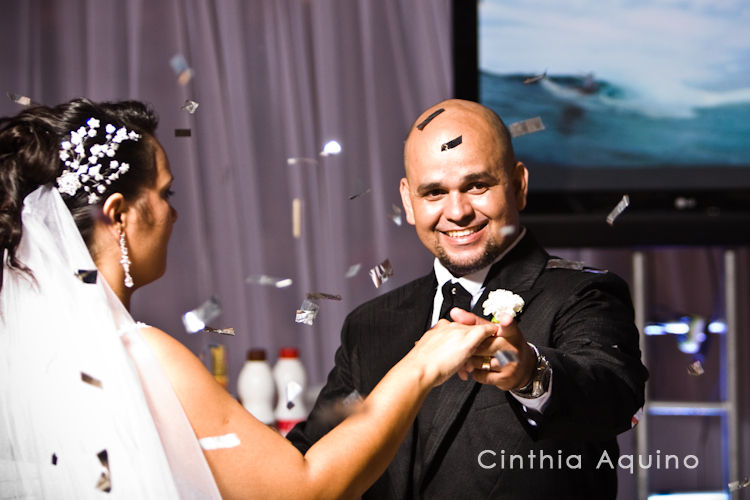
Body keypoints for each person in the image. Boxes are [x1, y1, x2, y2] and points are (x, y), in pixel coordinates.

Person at [0, 98, 500, 499]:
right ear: (119, 214)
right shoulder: (137, 354)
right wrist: (420, 365)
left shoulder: (23, 352)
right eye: (165, 195)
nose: (174, 216)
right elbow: (302, 490)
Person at [287, 99, 649, 499]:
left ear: (518, 184)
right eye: (434, 192)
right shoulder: (370, 323)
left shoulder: (583, 293)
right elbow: (310, 459)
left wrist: (529, 372)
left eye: (477, 185)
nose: (457, 211)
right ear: (408, 201)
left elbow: (613, 396)